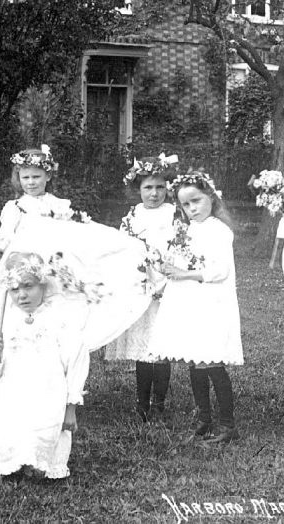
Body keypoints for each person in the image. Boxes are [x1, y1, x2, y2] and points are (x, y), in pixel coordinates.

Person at [0, 252, 90, 483]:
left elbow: (76, 360)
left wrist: (71, 407)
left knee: (44, 424)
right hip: (12, 388)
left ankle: (45, 462)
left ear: (43, 285)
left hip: (48, 389)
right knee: (10, 422)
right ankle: (10, 460)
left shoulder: (59, 319)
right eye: (15, 289)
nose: (22, 295)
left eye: (28, 286)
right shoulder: (3, 321)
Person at [147, 170, 244, 443]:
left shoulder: (219, 230)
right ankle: (204, 419)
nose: (192, 209)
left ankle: (227, 425)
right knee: (195, 360)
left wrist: (184, 274)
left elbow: (219, 271)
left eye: (197, 201)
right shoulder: (187, 230)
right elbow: (183, 260)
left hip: (211, 303)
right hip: (191, 304)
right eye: (186, 205)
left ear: (211, 198)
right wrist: (166, 267)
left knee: (212, 362)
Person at [105, 156, 179, 422]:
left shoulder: (174, 214)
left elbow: (181, 248)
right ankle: (141, 402)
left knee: (161, 346)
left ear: (168, 188)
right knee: (144, 349)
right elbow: (123, 249)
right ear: (138, 189)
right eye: (148, 187)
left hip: (168, 284)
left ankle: (159, 402)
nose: (154, 193)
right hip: (143, 285)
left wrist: (167, 277)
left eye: (160, 187)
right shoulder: (133, 215)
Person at [0, 145, 74, 252]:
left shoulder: (59, 205)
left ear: (48, 176)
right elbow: (3, 241)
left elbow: (70, 236)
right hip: (24, 260)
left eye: (36, 177)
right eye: (25, 178)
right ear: (19, 178)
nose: (31, 182)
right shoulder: (16, 207)